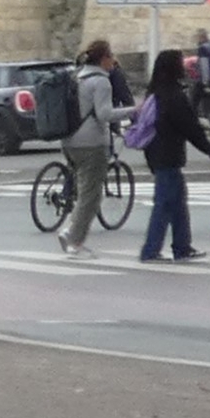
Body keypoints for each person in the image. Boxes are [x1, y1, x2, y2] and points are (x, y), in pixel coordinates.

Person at [136, 49, 210, 263]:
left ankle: (182, 246)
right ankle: (151, 250)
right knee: (164, 204)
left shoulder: (154, 93)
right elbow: (190, 127)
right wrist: (209, 148)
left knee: (178, 202)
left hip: (156, 154)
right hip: (169, 156)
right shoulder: (174, 95)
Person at [55, 40, 121, 257]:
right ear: (103, 59)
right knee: (91, 195)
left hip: (70, 141)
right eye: (111, 56)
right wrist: (133, 111)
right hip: (92, 143)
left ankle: (71, 232)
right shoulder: (101, 82)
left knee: (84, 191)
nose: (113, 60)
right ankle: (75, 240)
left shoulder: (78, 76)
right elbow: (104, 114)